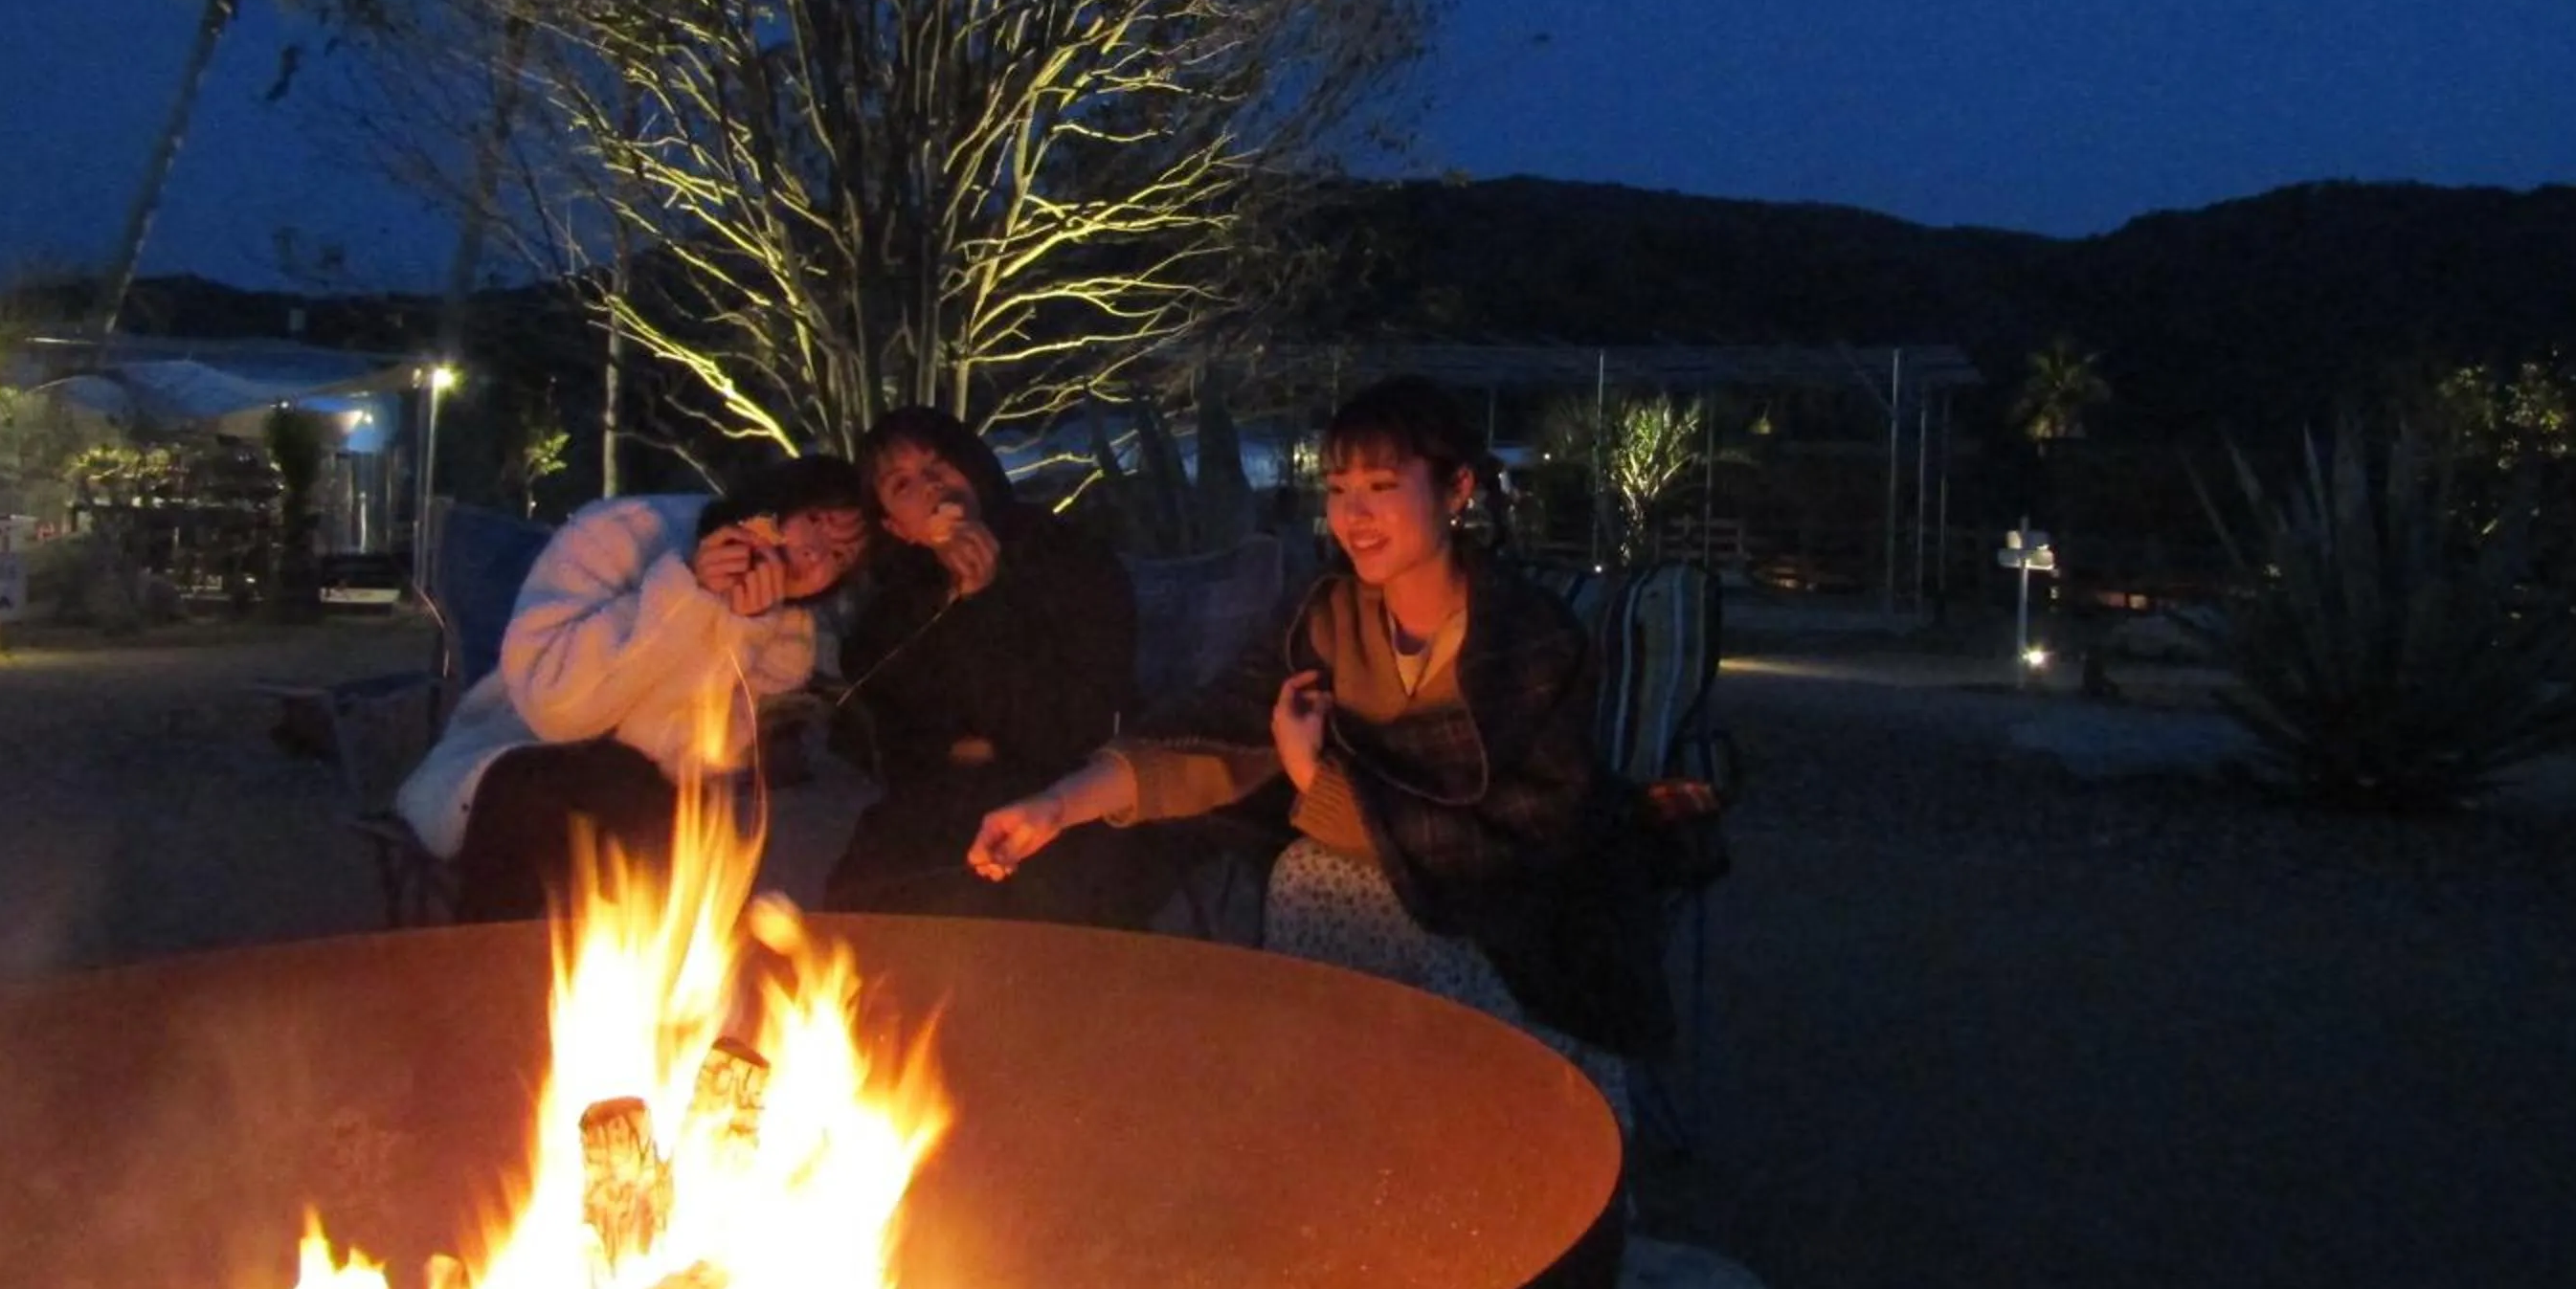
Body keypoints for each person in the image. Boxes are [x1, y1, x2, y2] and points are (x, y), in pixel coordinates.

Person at [968, 375, 1670, 1114]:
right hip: (1386, 888)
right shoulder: (1327, 618)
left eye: (1381, 485)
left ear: (1457, 489)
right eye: (1339, 489)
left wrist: (1310, 773)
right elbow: (1217, 729)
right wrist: (1056, 806)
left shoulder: (1527, 641)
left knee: (1326, 882)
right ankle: (1340, 1122)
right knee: (1312, 878)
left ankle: (1493, 1138)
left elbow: (1519, 843)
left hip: (1526, 916)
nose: (1353, 515)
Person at [397, 456, 870, 922]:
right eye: (814, 521)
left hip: (644, 799)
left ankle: (670, 986)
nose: (814, 555)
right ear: (776, 504)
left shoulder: (783, 638)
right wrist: (684, 591)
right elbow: (556, 712)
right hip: (515, 755)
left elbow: (689, 758)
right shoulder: (621, 534)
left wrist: (737, 628)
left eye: (839, 557)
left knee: (676, 821)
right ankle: (488, 979)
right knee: (557, 798)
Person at [819, 404, 1175, 925]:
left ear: (974, 466)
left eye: (940, 465)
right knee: (868, 895)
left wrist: (985, 601)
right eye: (903, 484)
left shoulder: (1068, 556)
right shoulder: (897, 605)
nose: (932, 487)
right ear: (896, 526)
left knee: (1027, 902)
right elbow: (881, 730)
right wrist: (947, 747)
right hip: (938, 803)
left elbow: (1078, 710)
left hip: (1066, 794)